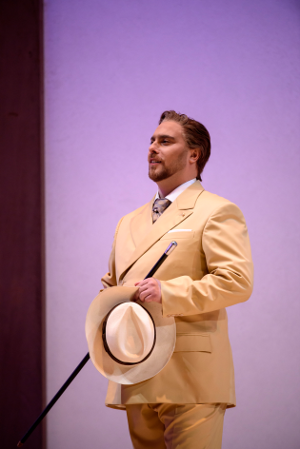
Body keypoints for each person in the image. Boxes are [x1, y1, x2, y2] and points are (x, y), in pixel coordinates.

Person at [101, 110, 254, 449]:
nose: (152, 148)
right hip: (136, 369)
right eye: (152, 141)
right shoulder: (128, 222)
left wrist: (167, 292)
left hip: (191, 374)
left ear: (193, 155)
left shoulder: (216, 210)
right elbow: (113, 284)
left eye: (165, 141)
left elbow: (236, 281)